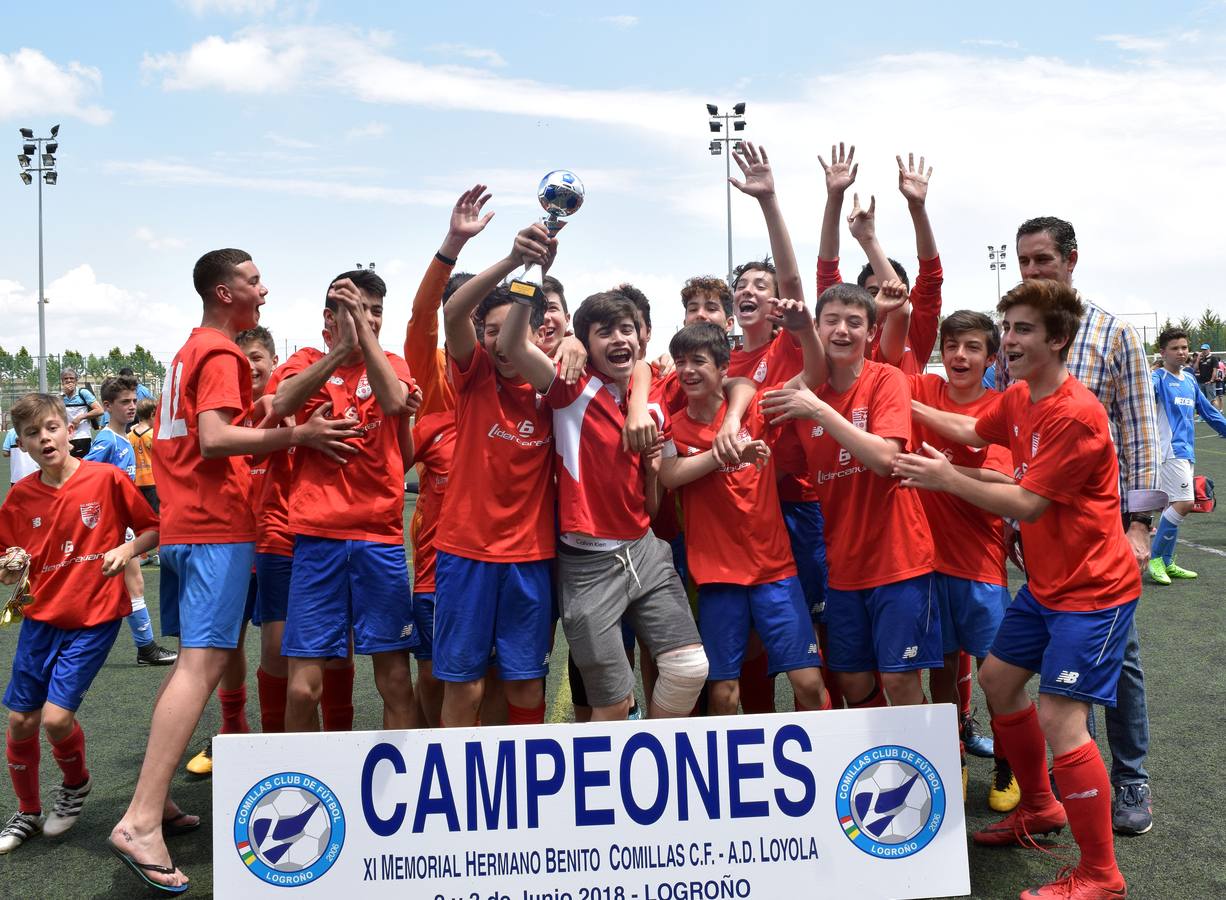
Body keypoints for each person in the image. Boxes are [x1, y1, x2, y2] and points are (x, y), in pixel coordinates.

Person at [109, 248, 360, 893]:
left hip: (189, 528)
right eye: (253, 280)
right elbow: (218, 439)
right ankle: (139, 820)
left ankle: (153, 794)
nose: (264, 289)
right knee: (201, 665)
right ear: (225, 291)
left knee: (199, 665)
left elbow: (230, 423)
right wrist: (299, 438)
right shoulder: (220, 353)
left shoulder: (186, 352)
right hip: (215, 526)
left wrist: (329, 364)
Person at [896, 278, 1138, 900]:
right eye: (1007, 329)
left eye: (1022, 330)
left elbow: (1026, 504)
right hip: (1049, 586)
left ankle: (1100, 874)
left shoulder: (1077, 414)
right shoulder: (1024, 394)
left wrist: (946, 478)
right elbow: (974, 430)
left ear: (1058, 339)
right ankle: (1040, 806)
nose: (1008, 341)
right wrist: (904, 404)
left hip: (1095, 592)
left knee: (1062, 717)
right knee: (999, 682)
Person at [500, 246, 710, 722]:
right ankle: (605, 789)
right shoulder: (570, 387)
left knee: (689, 668)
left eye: (627, 330)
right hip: (587, 561)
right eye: (605, 332)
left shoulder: (653, 401)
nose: (619, 339)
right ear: (586, 344)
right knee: (612, 705)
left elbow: (651, 377)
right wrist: (530, 274)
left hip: (644, 549)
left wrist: (653, 455)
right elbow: (514, 346)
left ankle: (655, 759)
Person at [1000, 215, 1161, 836]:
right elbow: (1004, 426)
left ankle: (1130, 780)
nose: (1034, 271)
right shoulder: (1016, 328)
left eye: (1043, 260)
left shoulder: (1113, 332)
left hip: (1099, 534)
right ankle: (1070, 791)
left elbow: (1142, 430)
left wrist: (1140, 526)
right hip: (1042, 533)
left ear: (1071, 260)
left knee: (1118, 660)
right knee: (1054, 676)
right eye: (1025, 263)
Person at [759, 281, 939, 707]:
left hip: (900, 561)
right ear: (816, 331)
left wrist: (817, 410)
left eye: (854, 322)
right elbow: (776, 471)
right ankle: (880, 764)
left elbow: (886, 459)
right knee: (853, 680)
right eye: (832, 321)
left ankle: (939, 771)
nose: (842, 330)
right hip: (843, 567)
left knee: (900, 681)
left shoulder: (886, 379)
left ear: (872, 333)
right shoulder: (802, 395)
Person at [0, 393, 159, 853]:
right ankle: (27, 811)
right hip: (40, 620)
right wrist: (10, 569)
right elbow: (9, 561)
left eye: (51, 427)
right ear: (23, 445)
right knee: (19, 720)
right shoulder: (20, 496)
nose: (44, 438)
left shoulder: (106, 479)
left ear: (70, 430)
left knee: (54, 718)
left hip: (93, 617)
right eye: (33, 433)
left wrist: (128, 549)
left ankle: (75, 786)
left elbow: (154, 528)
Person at [271, 269, 420, 734]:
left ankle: (405, 791)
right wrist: (339, 350)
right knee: (302, 689)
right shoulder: (306, 360)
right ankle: (306, 788)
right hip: (318, 540)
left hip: (379, 540)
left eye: (376, 311)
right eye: (356, 309)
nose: (368, 319)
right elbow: (280, 404)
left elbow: (395, 402)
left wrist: (362, 337)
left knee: (395, 680)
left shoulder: (392, 362)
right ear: (328, 318)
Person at [659, 318, 829, 714]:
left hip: (775, 571)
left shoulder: (753, 409)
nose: (686, 370)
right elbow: (670, 474)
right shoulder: (674, 426)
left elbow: (814, 375)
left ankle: (828, 765)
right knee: (723, 694)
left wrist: (805, 329)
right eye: (680, 361)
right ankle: (728, 776)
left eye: (698, 361)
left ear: (723, 370)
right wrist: (725, 453)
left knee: (808, 682)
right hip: (718, 577)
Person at [432, 225, 557, 728]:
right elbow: (452, 312)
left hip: (531, 556)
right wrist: (512, 260)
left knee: (525, 681)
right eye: (493, 332)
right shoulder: (474, 374)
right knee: (464, 684)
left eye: (517, 330)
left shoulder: (555, 388)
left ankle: (524, 793)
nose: (505, 343)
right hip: (467, 554)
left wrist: (540, 274)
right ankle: (456, 792)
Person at [898, 310, 1017, 808]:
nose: (960, 356)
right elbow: (883, 354)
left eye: (972, 347)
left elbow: (1005, 482)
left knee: (998, 676)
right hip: (923, 562)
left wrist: (950, 473)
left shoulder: (1001, 407)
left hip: (979, 564)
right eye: (951, 346)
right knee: (941, 670)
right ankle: (953, 760)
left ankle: (1009, 767)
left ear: (991, 357)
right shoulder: (923, 388)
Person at [84, 376, 178, 667]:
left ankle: (145, 647)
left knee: (131, 584)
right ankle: (145, 649)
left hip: (121, 521)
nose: (132, 406)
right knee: (131, 585)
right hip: (111, 524)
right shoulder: (106, 440)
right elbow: (86, 476)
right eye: (125, 402)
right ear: (108, 406)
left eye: (134, 401)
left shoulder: (124, 438)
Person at [1148, 327, 1226, 584]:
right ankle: (1156, 559)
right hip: (1169, 451)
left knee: (1176, 505)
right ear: (1163, 352)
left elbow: (1207, 411)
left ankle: (1167, 562)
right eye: (1175, 348)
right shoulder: (1157, 379)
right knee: (1183, 503)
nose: (1181, 353)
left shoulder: (1190, 380)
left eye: (1184, 347)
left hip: (1186, 452)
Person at [129, 399, 159, 565]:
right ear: (153, 414)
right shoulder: (153, 435)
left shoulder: (129, 435)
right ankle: (160, 553)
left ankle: (143, 555)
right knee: (158, 517)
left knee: (140, 520)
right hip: (153, 481)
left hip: (136, 483)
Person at [59, 369, 102, 459]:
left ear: (76, 381)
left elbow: (99, 410)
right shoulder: (60, 397)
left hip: (82, 436)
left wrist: (80, 417)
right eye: (66, 378)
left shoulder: (83, 393)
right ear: (62, 381)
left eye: (72, 378)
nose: (69, 380)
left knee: (82, 465)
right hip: (66, 438)